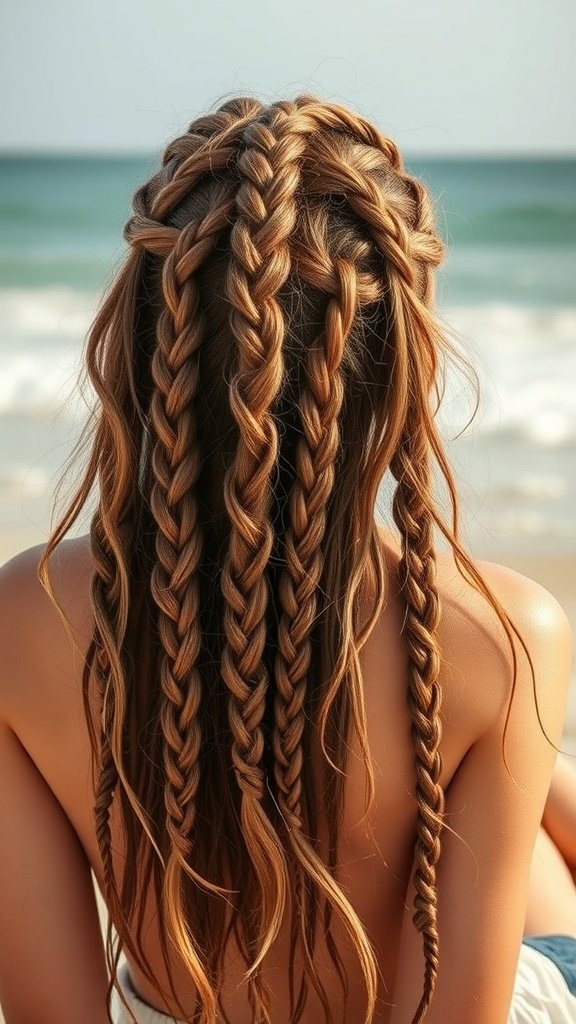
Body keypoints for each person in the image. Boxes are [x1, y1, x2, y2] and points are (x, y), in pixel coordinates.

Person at [0, 94, 574, 1024]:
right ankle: (536, 767)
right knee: (539, 830)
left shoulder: (25, 617)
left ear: (144, 345)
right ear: (401, 370)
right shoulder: (500, 635)